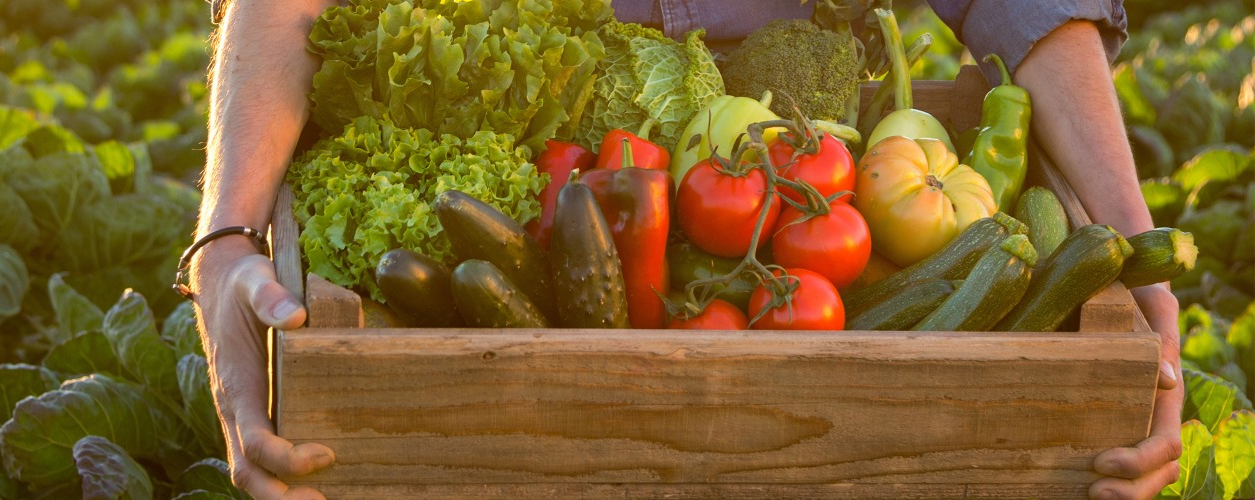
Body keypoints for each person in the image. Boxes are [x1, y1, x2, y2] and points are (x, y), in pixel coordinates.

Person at [185, 1, 1182, 499]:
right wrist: (226, 235)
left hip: (814, 185)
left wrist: (1128, 256)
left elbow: (1034, 7)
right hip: (531, 182)